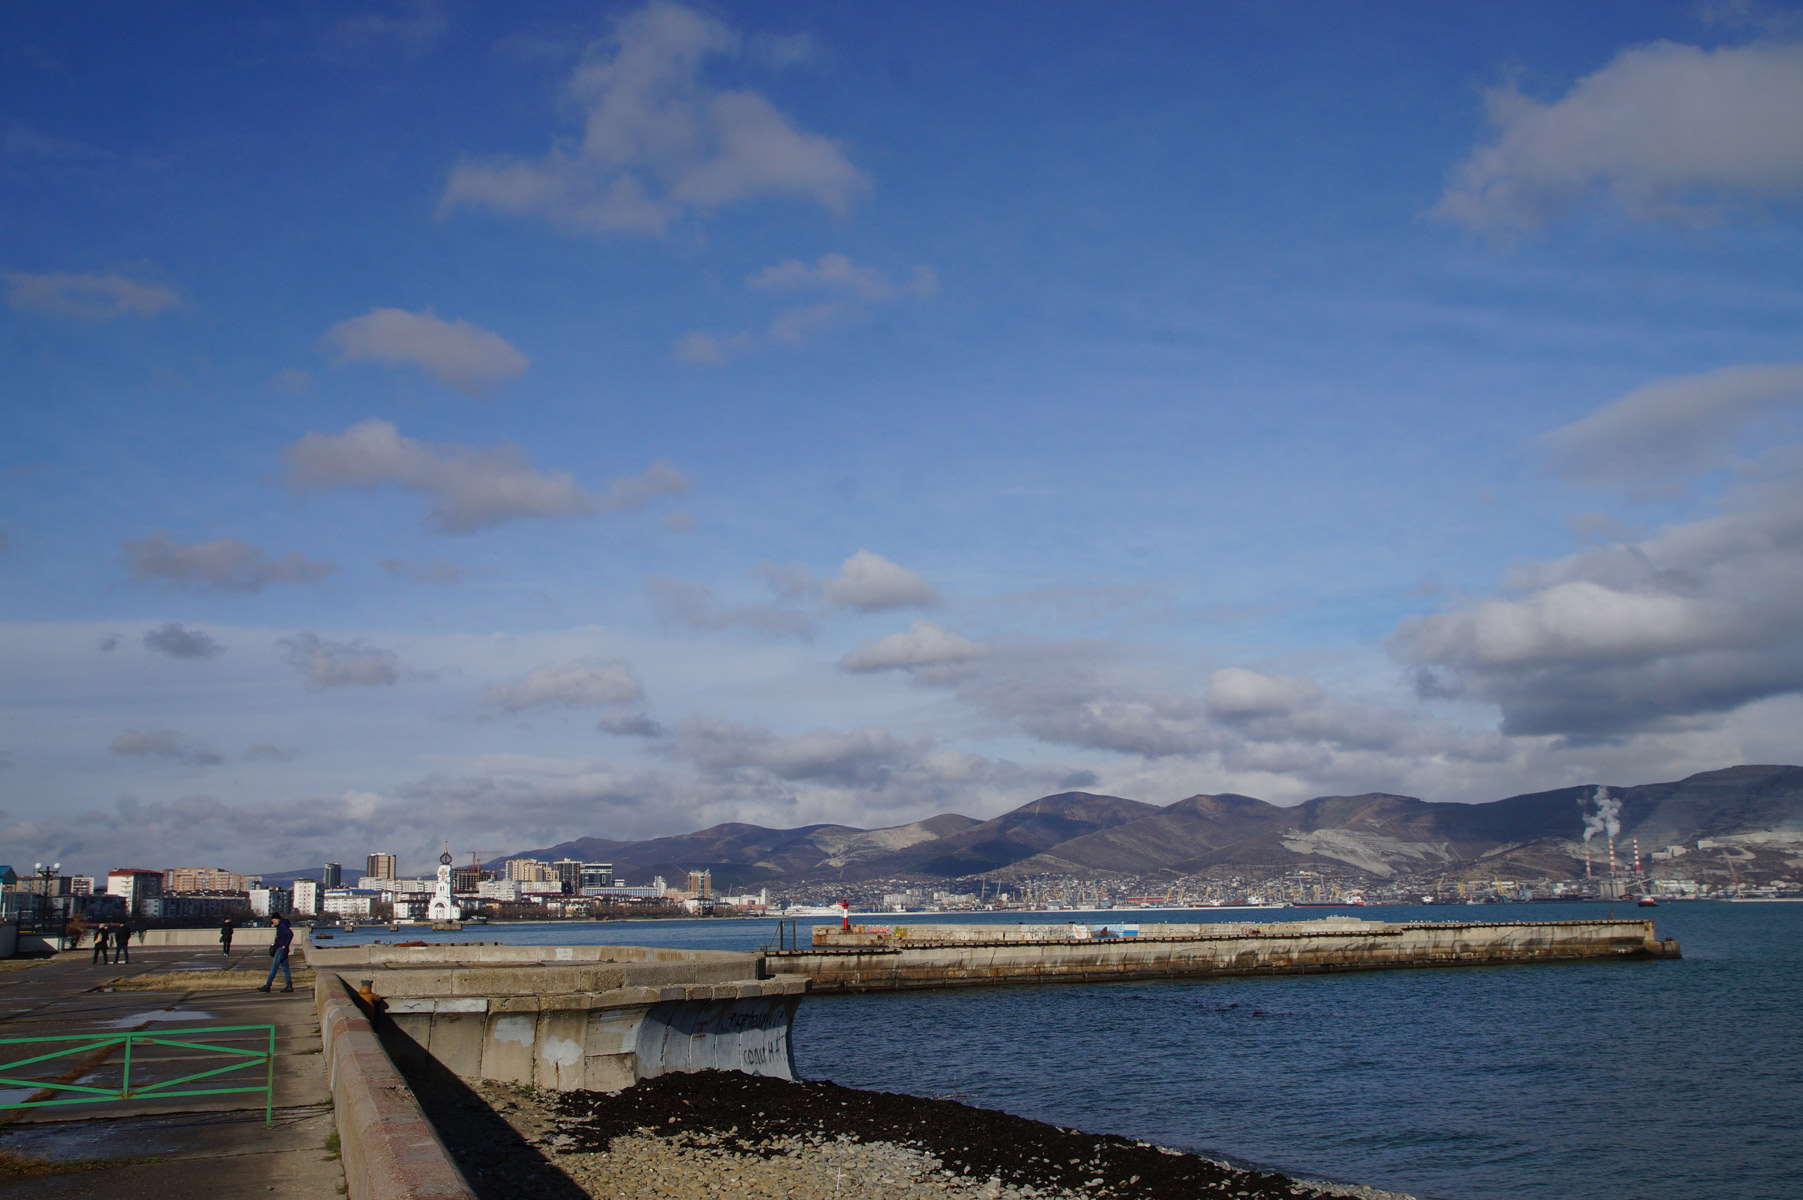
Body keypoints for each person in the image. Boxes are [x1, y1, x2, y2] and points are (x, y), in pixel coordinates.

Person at [257, 916, 294, 993]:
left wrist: (285, 944)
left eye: (275, 920)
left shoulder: (282, 926)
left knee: (274, 968)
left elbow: (290, 934)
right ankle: (289, 986)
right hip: (283, 949)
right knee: (285, 968)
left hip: (281, 949)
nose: (274, 922)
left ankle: (267, 986)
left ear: (278, 919)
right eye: (273, 920)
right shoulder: (282, 925)